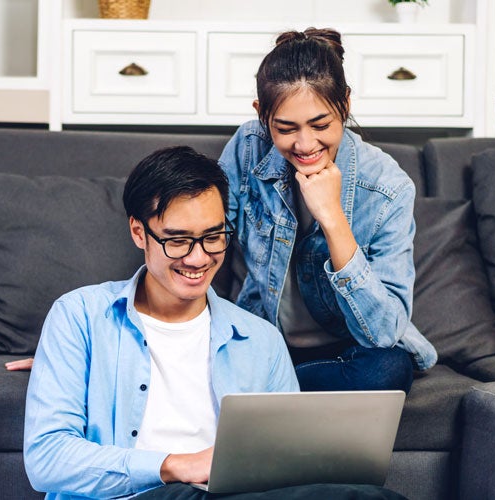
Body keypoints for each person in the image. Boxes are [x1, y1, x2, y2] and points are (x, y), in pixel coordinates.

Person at [22, 146, 404, 500]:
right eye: (178, 240)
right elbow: (47, 458)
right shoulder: (80, 317)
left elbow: (284, 464)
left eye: (213, 237)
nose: (198, 258)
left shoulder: (259, 339)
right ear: (139, 232)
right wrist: (175, 465)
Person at [218, 27, 437, 393]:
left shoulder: (387, 186)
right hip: (267, 343)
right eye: (286, 128)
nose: (305, 145)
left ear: (346, 105)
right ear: (261, 114)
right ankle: (272, 390)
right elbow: (210, 234)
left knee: (388, 371)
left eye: (321, 125)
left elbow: (383, 332)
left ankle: (264, 394)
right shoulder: (247, 147)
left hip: (347, 351)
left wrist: (332, 217)